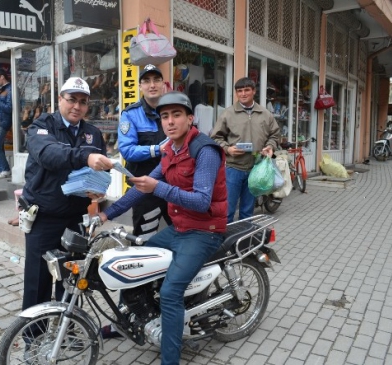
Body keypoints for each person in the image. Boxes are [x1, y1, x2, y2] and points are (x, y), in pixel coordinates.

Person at [99, 92, 227, 365]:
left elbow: (202, 201)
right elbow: (142, 187)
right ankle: (130, 321)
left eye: (176, 115)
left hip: (204, 231)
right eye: (165, 116)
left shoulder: (204, 151)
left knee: (170, 293)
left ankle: (170, 360)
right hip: (179, 228)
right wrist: (106, 215)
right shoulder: (170, 150)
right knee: (133, 261)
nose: (169, 121)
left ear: (190, 118)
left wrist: (160, 188)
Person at [21, 77, 113, 311]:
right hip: (43, 217)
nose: (77, 106)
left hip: (74, 219)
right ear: (60, 99)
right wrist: (85, 157)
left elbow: (97, 172)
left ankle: (68, 330)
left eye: (82, 102)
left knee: (71, 280)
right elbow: (48, 155)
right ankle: (33, 336)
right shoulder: (42, 125)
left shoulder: (92, 133)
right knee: (38, 281)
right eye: (71, 100)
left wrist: (98, 191)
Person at [210, 77, 280, 222]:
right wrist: (228, 149)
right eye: (239, 91)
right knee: (228, 210)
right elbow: (215, 137)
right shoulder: (228, 114)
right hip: (233, 169)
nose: (243, 94)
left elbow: (275, 135)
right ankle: (225, 242)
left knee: (247, 211)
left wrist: (270, 146)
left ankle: (244, 241)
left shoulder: (265, 114)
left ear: (253, 91)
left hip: (256, 169)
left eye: (247, 90)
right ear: (236, 93)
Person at [117, 64, 172, 241]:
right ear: (140, 86)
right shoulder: (131, 114)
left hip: (173, 187)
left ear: (163, 84)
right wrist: (157, 149)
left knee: (183, 235)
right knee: (144, 239)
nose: (152, 85)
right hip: (144, 190)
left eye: (156, 80)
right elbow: (127, 150)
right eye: (146, 81)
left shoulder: (172, 110)